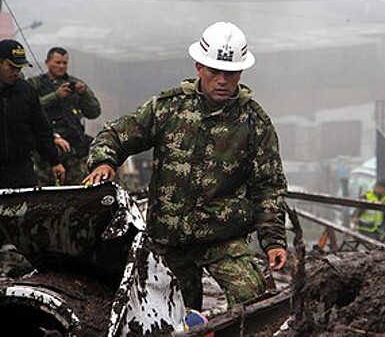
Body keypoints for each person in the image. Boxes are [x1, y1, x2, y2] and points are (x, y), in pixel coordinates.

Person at [83, 22, 288, 311]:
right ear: (199, 68)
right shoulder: (169, 108)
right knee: (170, 313)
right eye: (214, 71)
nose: (221, 80)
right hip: (168, 238)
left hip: (222, 237)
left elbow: (269, 187)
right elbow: (117, 133)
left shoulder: (255, 123)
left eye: (229, 73)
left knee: (252, 298)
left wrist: (274, 241)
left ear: (240, 73)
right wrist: (104, 161)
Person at [27, 47, 101, 185]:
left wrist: (85, 93)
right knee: (45, 187)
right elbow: (30, 108)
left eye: (64, 63)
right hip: (46, 146)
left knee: (78, 186)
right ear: (47, 62)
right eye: (57, 62)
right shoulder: (35, 84)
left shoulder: (74, 84)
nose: (61, 66)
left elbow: (94, 112)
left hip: (73, 146)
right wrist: (56, 96)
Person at [0, 40, 65, 188]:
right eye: (11, 66)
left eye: (19, 67)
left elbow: (41, 128)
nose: (16, 72)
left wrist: (54, 161)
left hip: (21, 169)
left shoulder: (26, 91)